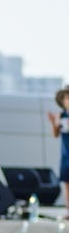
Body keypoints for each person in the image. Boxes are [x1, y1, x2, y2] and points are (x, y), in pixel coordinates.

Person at [47, 86, 69, 218]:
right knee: (67, 184)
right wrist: (53, 123)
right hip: (66, 155)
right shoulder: (61, 116)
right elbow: (55, 134)